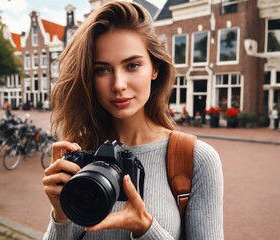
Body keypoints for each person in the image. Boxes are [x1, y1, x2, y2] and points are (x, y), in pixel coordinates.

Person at [42, 2, 223, 240]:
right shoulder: (81, 153)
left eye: (132, 65)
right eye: (102, 70)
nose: (118, 84)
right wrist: (61, 215)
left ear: (155, 68)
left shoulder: (194, 159)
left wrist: (146, 228)